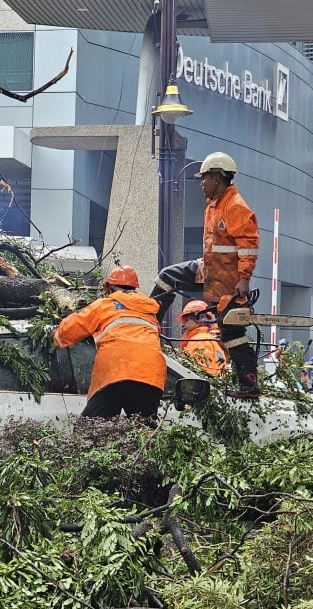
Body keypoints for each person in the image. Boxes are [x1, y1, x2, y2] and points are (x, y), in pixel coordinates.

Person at [150, 152, 260, 399]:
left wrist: (244, 278)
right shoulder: (215, 205)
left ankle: (250, 386)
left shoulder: (236, 207)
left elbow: (248, 245)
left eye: (205, 178)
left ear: (218, 179)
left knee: (232, 332)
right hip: (209, 268)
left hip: (228, 278)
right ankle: (149, 322)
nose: (201, 183)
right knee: (167, 276)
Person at [53, 265, 166, 419]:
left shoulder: (104, 305)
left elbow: (72, 329)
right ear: (135, 288)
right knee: (144, 431)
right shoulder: (149, 312)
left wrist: (55, 336)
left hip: (115, 370)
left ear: (109, 288)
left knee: (90, 429)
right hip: (149, 374)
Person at [177, 300, 228, 377]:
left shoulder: (199, 341)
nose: (183, 324)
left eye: (186, 320)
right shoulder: (208, 338)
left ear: (200, 318)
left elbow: (197, 374)